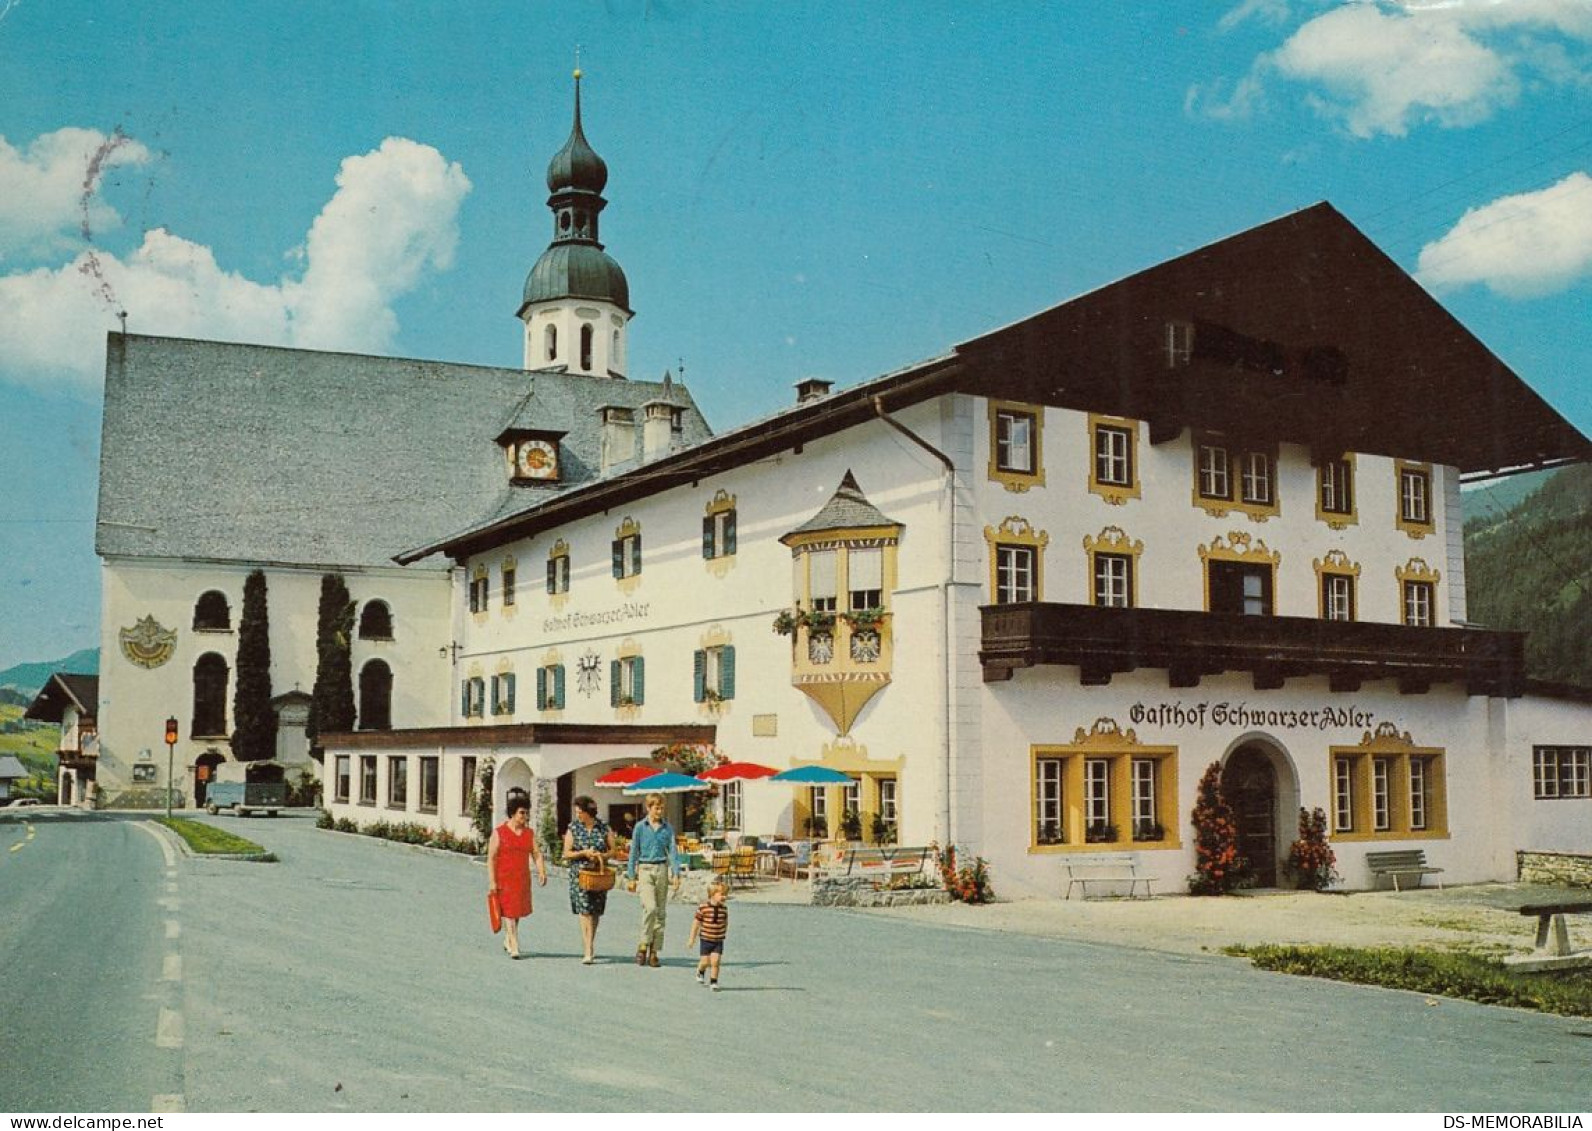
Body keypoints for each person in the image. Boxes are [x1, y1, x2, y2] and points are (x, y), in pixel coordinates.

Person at [625, 792, 681, 967]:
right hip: (645, 868)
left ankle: (654, 951)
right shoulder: (640, 827)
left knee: (660, 912)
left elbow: (672, 851)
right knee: (650, 908)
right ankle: (643, 943)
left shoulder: (667, 828)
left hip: (661, 868)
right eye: (656, 808)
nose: (659, 811)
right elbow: (634, 852)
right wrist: (631, 877)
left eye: (662, 808)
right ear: (648, 808)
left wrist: (676, 873)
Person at [487, 795, 546, 959]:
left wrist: (541, 871)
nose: (524, 817)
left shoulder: (529, 833)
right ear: (513, 813)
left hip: (521, 878)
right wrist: (492, 881)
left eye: (526, 813)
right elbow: (491, 858)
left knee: (517, 911)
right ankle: (514, 944)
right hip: (504, 878)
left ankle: (508, 938)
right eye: (522, 813)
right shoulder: (499, 832)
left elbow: (537, 854)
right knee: (509, 912)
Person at [562, 794, 615, 965]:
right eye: (576, 812)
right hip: (580, 874)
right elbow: (567, 853)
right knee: (584, 911)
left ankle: (590, 942)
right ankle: (588, 948)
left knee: (596, 911)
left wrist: (602, 855)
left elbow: (613, 850)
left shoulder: (604, 827)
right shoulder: (573, 828)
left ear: (588, 813)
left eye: (580, 812)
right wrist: (583, 853)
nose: (578, 815)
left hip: (598, 874)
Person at [687, 880, 730, 991]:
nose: (724, 897)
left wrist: (724, 931)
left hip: (718, 940)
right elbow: (696, 923)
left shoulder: (724, 909)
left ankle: (714, 982)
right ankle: (700, 971)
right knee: (705, 961)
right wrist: (692, 939)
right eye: (721, 894)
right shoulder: (703, 908)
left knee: (715, 962)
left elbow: (725, 921)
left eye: (725, 894)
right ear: (712, 894)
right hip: (706, 939)